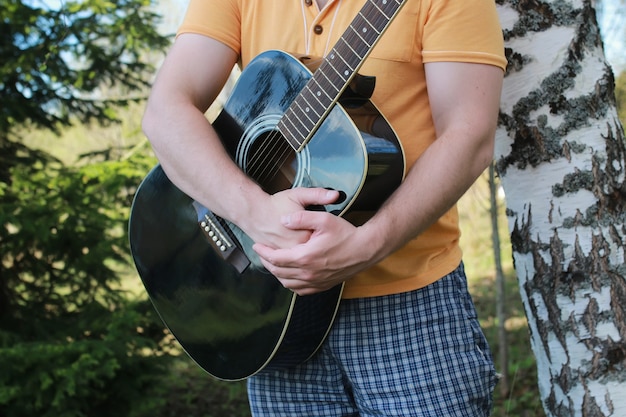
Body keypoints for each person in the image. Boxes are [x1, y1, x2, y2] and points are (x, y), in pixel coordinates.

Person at [142, 0, 507, 415]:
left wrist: (367, 245)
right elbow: (165, 112)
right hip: (270, 309)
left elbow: (469, 135)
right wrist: (255, 214)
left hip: (408, 309)